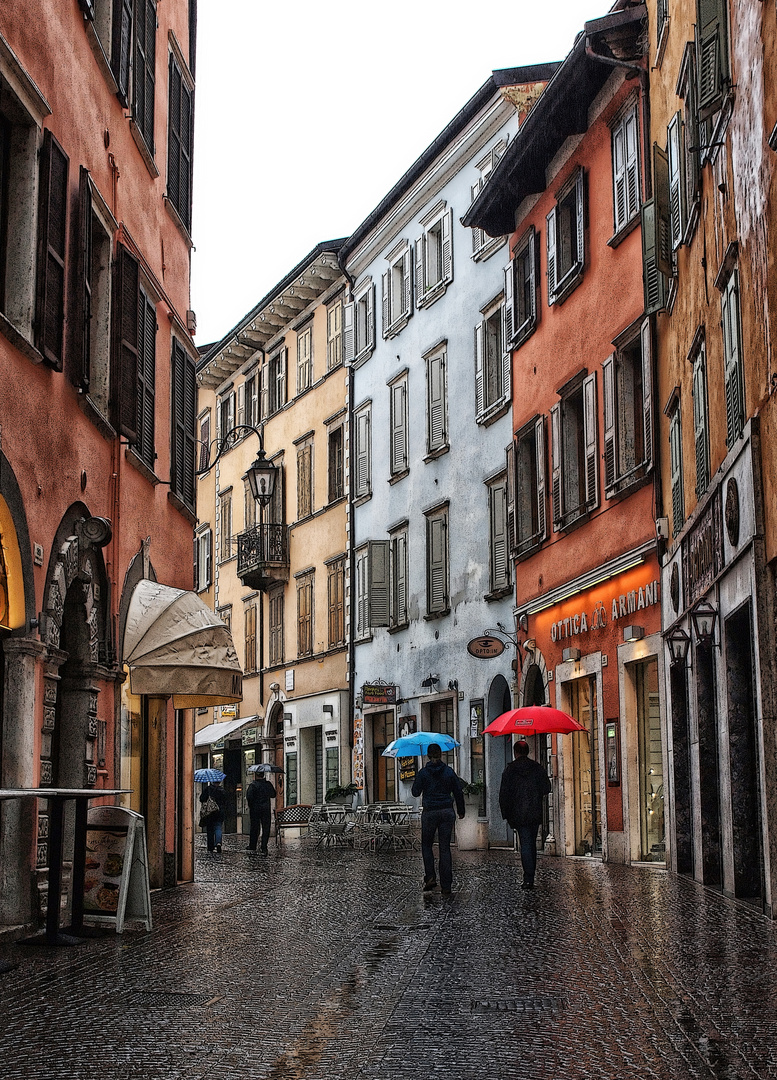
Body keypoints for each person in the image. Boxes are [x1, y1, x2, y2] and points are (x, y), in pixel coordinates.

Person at [411, 743, 465, 895]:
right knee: (444, 847)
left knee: (427, 845)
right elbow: (458, 791)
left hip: (430, 813)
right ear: (441, 754)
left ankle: (430, 877)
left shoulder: (423, 773)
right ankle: (446, 885)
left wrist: (419, 779)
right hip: (446, 812)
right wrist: (461, 810)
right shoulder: (448, 772)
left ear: (428, 755)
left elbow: (415, 792)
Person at [499, 739, 552, 889]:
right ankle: (530, 876)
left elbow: (504, 795)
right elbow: (546, 788)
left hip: (518, 814)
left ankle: (528, 877)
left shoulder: (510, 770)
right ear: (527, 752)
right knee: (531, 844)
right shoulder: (537, 768)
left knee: (525, 844)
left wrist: (506, 815)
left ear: (515, 753)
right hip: (534, 812)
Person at [246, 773, 277, 855]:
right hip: (266, 809)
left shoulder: (253, 785)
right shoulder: (268, 784)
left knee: (254, 827)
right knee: (266, 827)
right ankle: (264, 846)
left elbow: (249, 797)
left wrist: (251, 805)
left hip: (255, 809)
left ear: (256, 775)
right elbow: (273, 794)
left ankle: (252, 845)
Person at [200, 781, 226, 853]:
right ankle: (218, 843)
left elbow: (201, 798)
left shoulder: (208, 789)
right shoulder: (222, 791)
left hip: (210, 812)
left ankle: (210, 846)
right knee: (218, 827)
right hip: (219, 812)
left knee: (210, 829)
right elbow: (225, 801)